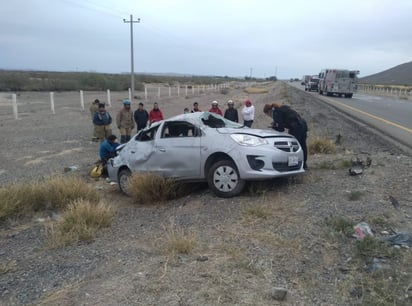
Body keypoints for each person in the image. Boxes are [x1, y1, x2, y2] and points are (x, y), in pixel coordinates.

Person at [264, 103, 308, 169]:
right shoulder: (281, 107)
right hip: (303, 124)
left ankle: (294, 165)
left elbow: (281, 129)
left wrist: (273, 126)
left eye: (267, 115)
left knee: (293, 147)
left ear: (268, 112)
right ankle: (304, 165)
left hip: (296, 128)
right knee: (302, 146)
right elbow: (287, 119)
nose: (269, 116)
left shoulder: (275, 113)